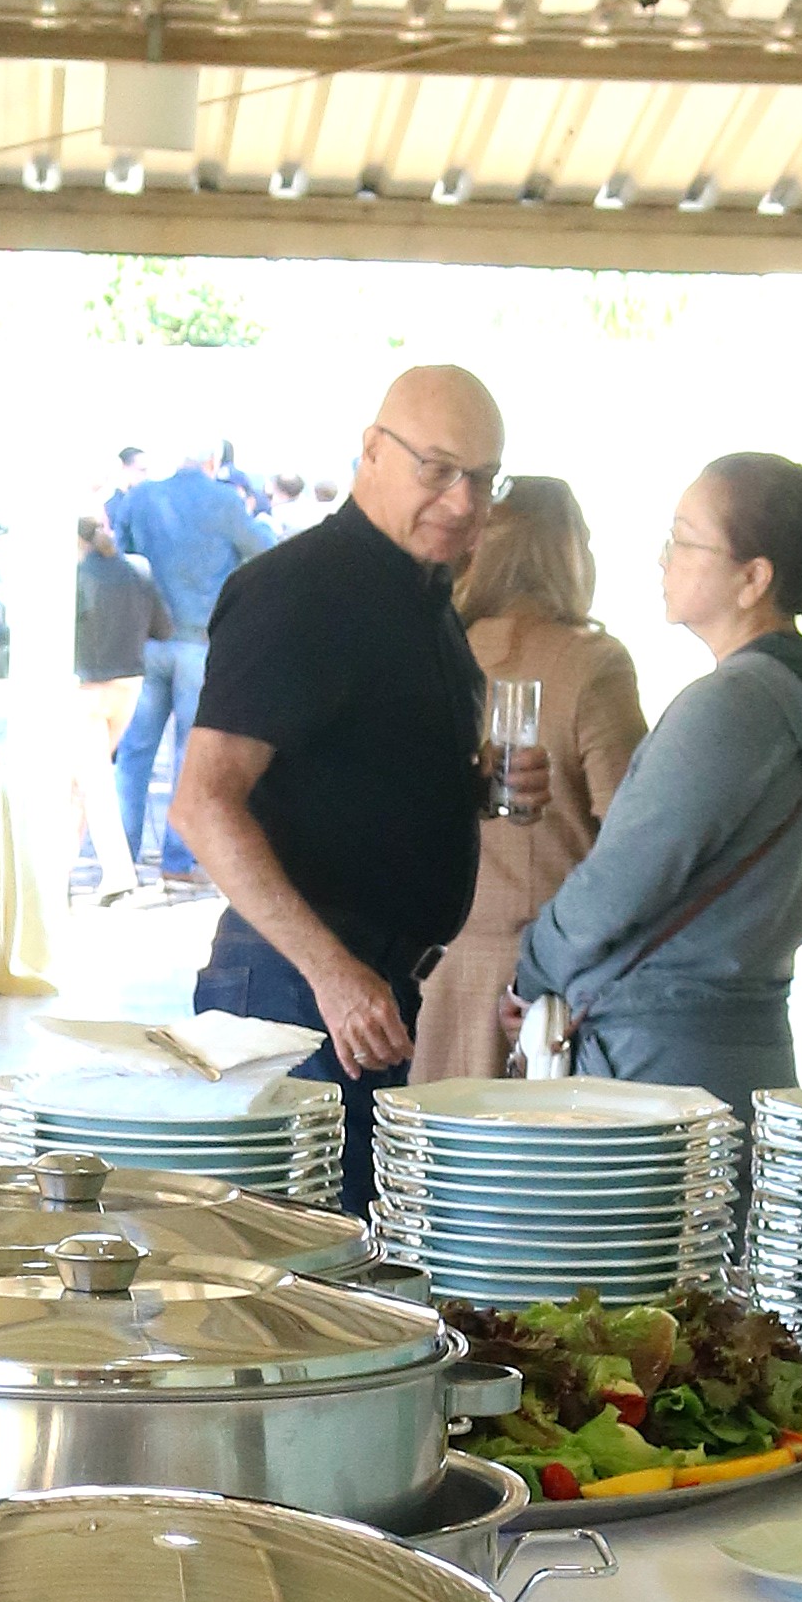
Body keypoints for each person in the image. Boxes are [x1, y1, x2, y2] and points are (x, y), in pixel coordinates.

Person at [168, 366, 501, 1202]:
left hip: (359, 981)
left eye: (484, 478)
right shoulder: (302, 589)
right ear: (372, 450)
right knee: (303, 1257)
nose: (464, 501)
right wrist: (332, 972)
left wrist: (473, 781)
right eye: (439, 470)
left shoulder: (420, 592)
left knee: (351, 1247)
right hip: (297, 979)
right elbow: (202, 803)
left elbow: (360, 766)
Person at [516, 457, 802, 1093]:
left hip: (654, 1061)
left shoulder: (734, 703)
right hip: (745, 1045)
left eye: (683, 541)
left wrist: (533, 968)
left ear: (753, 578)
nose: (663, 559)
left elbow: (623, 878)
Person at [413, 474, 646, 1079]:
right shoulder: (593, 664)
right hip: (540, 987)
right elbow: (631, 835)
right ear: (570, 554)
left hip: (430, 970)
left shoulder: (430, 652)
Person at [112, 438, 269, 876]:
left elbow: (121, 555)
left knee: (135, 752)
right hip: (200, 640)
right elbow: (265, 550)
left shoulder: (142, 497)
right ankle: (177, 859)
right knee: (188, 751)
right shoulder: (224, 501)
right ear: (213, 460)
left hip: (148, 640)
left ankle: (121, 856)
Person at [69, 510, 159, 900]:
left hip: (87, 686)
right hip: (129, 683)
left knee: (93, 783)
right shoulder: (138, 569)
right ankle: (58, 871)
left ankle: (119, 872)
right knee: (79, 780)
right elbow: (162, 626)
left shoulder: (73, 576)